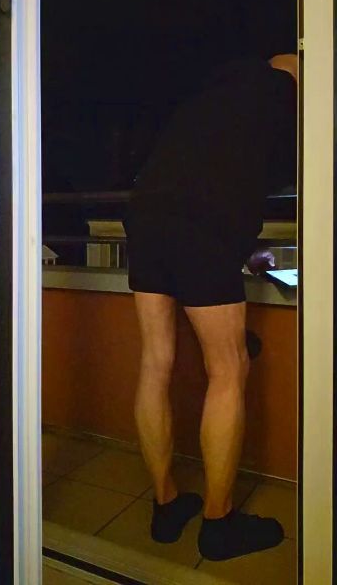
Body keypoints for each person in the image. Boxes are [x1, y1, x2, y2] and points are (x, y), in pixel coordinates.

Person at [124, 54, 297, 561]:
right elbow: (228, 192)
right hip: (203, 222)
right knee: (227, 369)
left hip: (146, 215)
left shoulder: (213, 97)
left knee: (155, 362)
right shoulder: (282, 93)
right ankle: (218, 525)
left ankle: (166, 507)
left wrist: (242, 248)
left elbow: (214, 171)